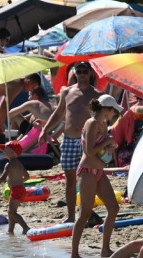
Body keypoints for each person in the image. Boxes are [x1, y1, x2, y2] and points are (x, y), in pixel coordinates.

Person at [42, 61, 102, 224]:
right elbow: (58, 113)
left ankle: (86, 213)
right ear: (75, 73)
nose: (82, 74)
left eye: (85, 71)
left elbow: (102, 119)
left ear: (90, 73)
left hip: (87, 141)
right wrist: (45, 130)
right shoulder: (67, 92)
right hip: (68, 140)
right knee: (70, 179)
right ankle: (70, 215)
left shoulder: (96, 95)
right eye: (79, 71)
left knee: (87, 178)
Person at [71, 95, 122, 258]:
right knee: (85, 214)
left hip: (99, 170)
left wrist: (110, 147)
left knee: (114, 208)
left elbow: (101, 150)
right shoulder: (92, 123)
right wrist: (107, 141)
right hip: (87, 171)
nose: (114, 113)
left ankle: (105, 249)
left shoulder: (104, 124)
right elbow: (89, 151)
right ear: (106, 109)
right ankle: (74, 253)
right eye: (113, 110)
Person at [0, 141, 30, 234]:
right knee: (11, 212)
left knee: (12, 212)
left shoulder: (9, 164)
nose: (3, 152)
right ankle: (10, 231)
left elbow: (2, 178)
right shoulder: (19, 163)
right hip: (21, 189)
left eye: (5, 150)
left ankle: (26, 227)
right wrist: (19, 182)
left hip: (16, 190)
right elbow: (27, 176)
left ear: (11, 152)